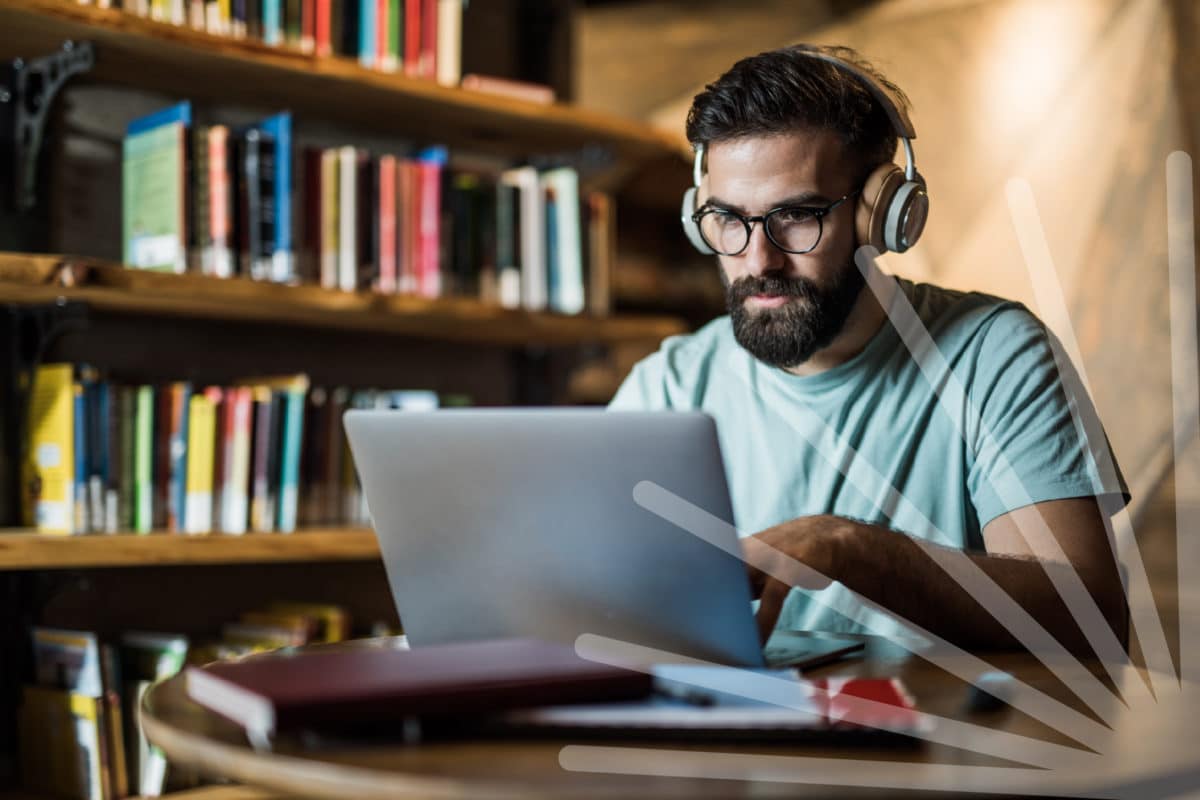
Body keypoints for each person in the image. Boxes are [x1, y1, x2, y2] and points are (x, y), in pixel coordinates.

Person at [609, 44, 1130, 654]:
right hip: (723, 739)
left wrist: (849, 550)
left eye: (797, 216)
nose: (758, 260)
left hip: (934, 745)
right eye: (727, 219)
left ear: (883, 217)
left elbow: (1087, 617)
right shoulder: (667, 384)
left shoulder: (997, 355)